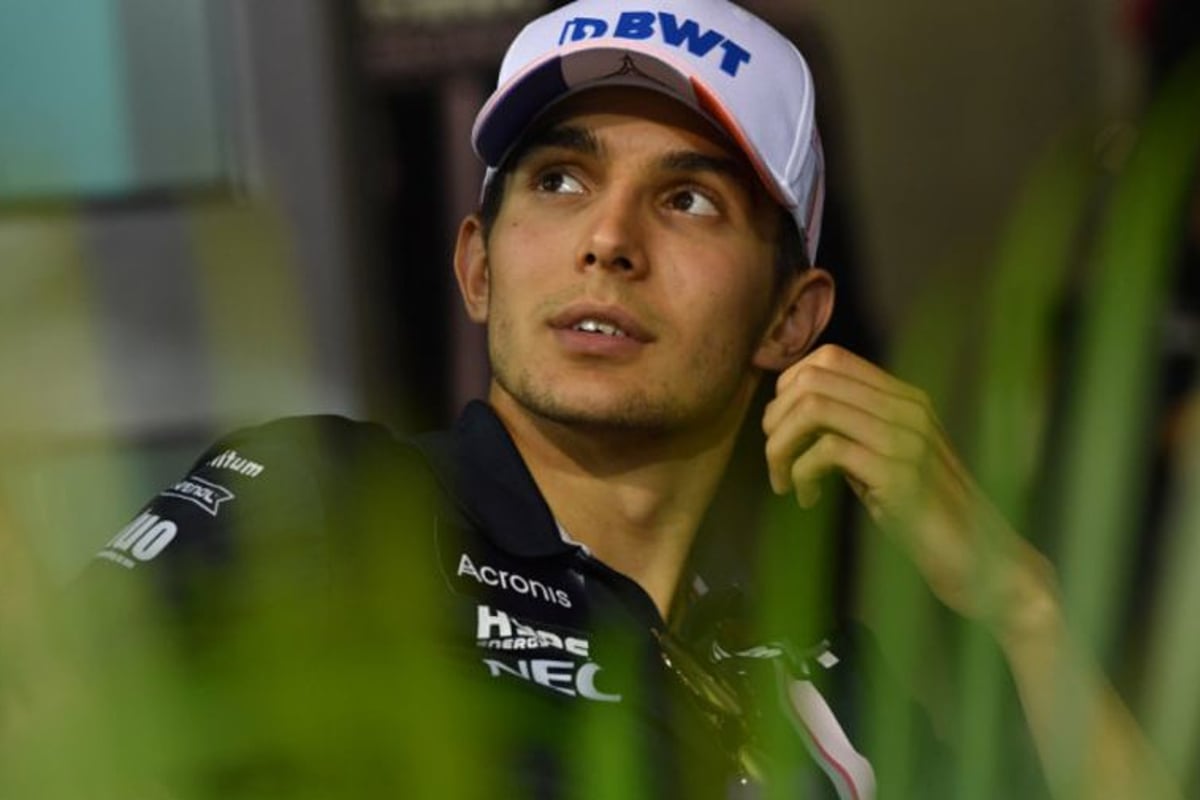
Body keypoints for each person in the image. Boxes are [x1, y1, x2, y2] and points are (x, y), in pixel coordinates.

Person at [75, 1, 1179, 797]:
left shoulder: (826, 677)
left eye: (689, 199)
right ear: (478, 267)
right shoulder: (328, 499)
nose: (608, 240)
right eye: (560, 181)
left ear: (790, 319)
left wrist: (1022, 600)